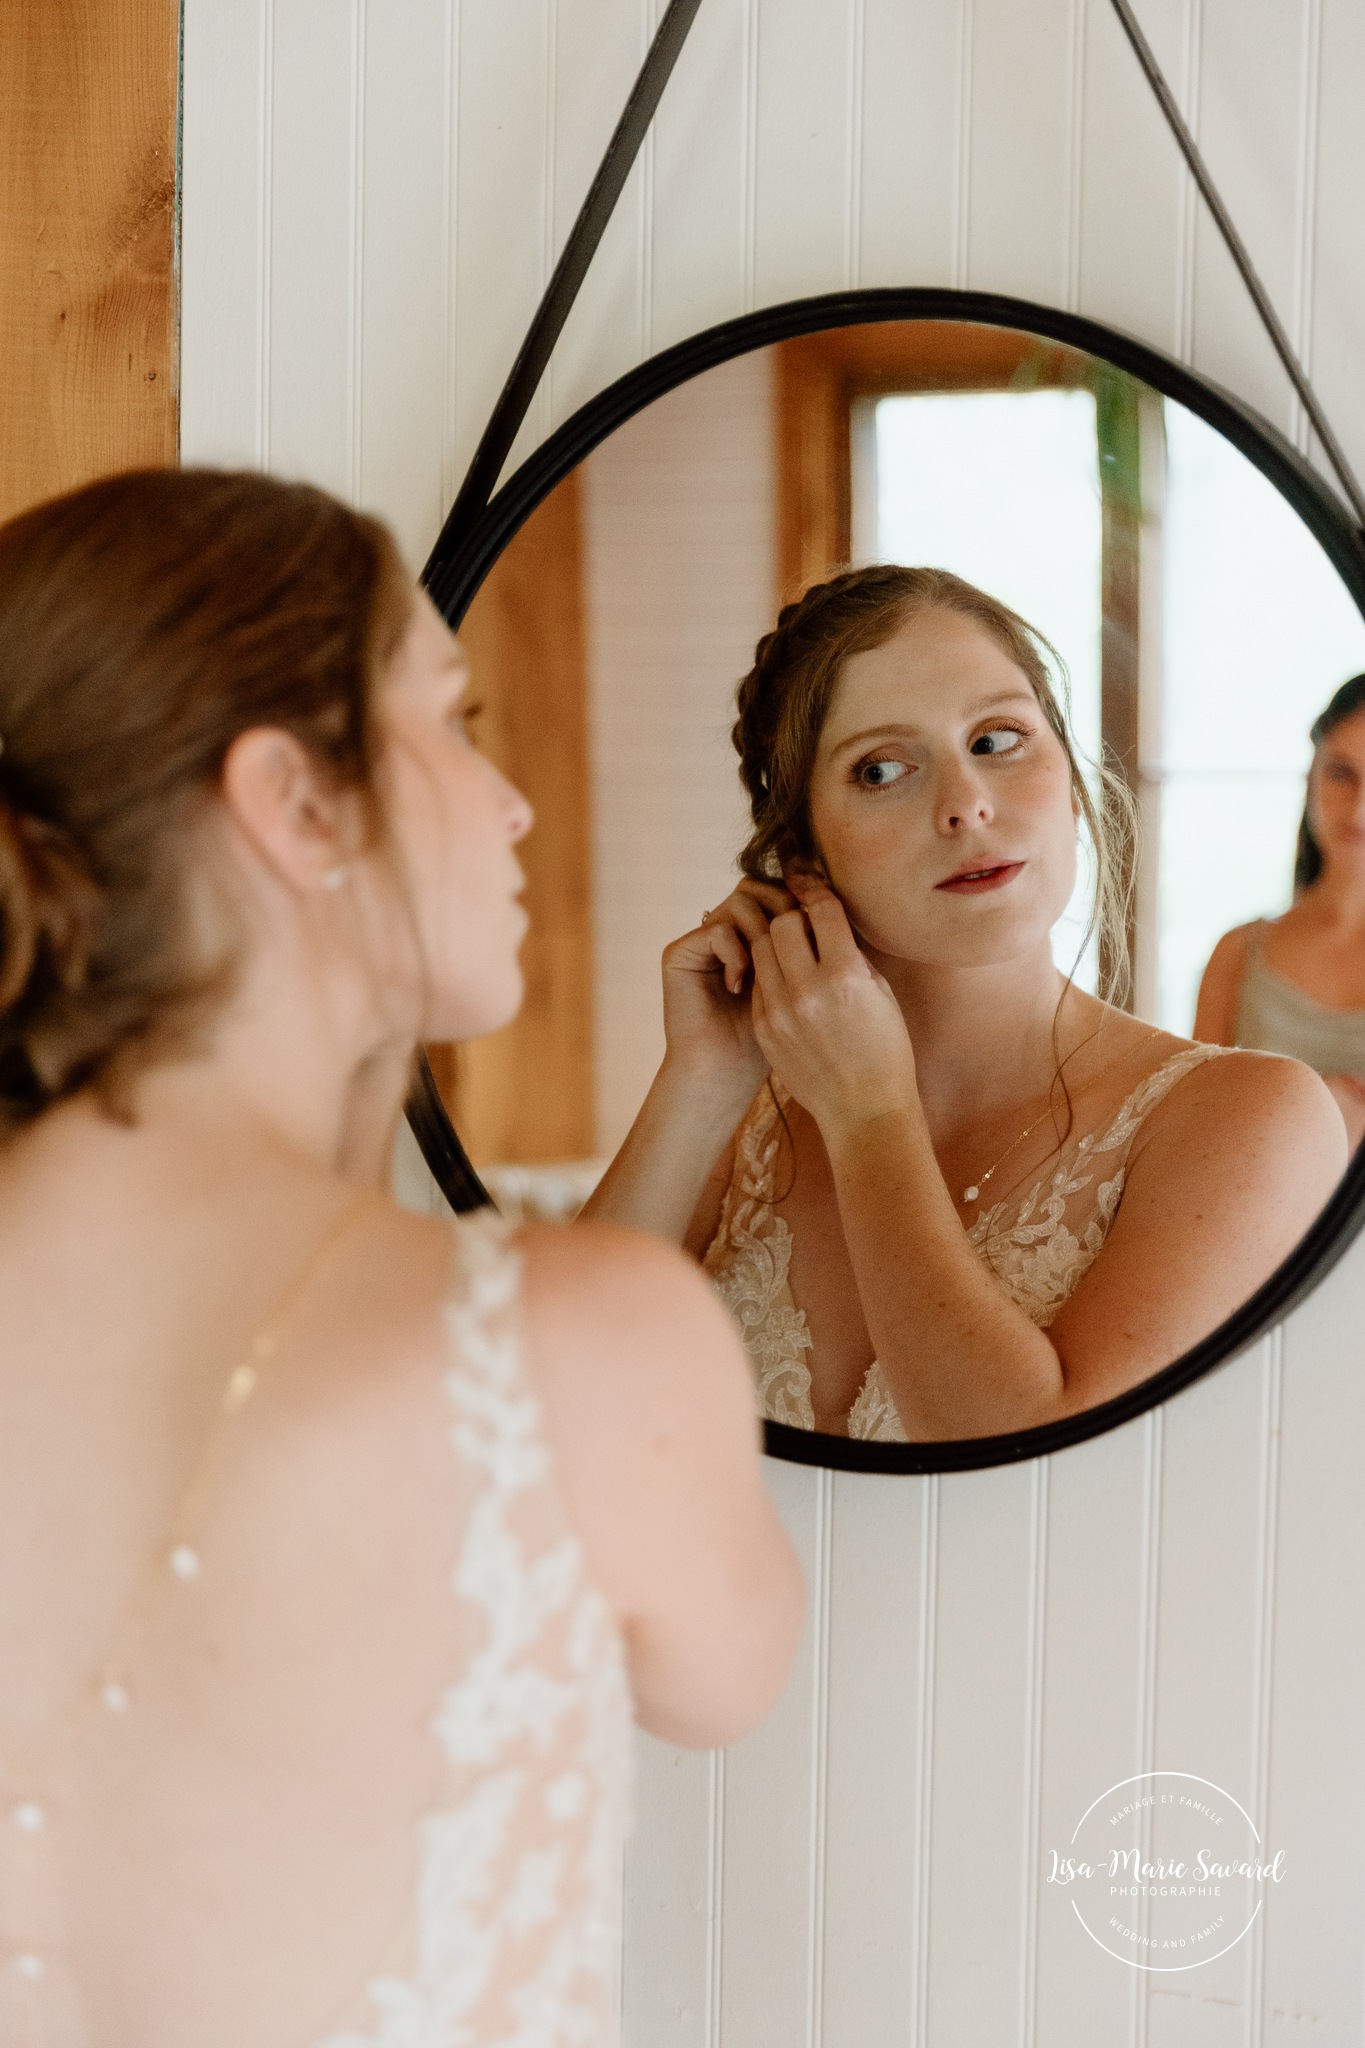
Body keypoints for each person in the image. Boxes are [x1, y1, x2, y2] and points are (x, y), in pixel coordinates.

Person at [0, 469, 802, 2045]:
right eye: (459, 718)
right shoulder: (581, 1346)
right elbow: (724, 1679)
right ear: (297, 805)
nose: (507, 805)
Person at [585, 566, 1344, 1444]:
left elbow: (1021, 1472)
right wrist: (702, 1077)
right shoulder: (743, 1117)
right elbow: (547, 1406)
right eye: (880, 769)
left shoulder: (1249, 1118)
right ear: (802, 852)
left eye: (996, 739)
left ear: (1067, 773)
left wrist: (872, 1118)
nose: (965, 803)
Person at [1196, 673, 1365, 1152]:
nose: (1359, 810)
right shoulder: (1237, 955)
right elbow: (1197, 1146)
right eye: (1341, 774)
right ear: (1310, 775)